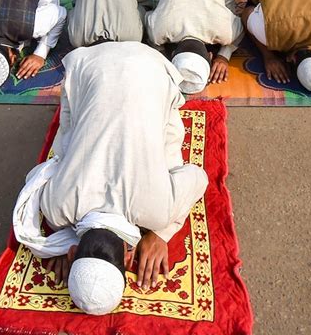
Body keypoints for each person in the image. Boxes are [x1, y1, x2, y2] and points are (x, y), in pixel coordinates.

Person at [13, 41, 208, 313]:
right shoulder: (56, 210)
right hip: (95, 63)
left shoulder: (157, 211)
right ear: (71, 252)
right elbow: (39, 176)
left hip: (153, 66)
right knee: (69, 144)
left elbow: (197, 177)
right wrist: (61, 236)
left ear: (130, 260)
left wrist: (161, 231)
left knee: (168, 154)